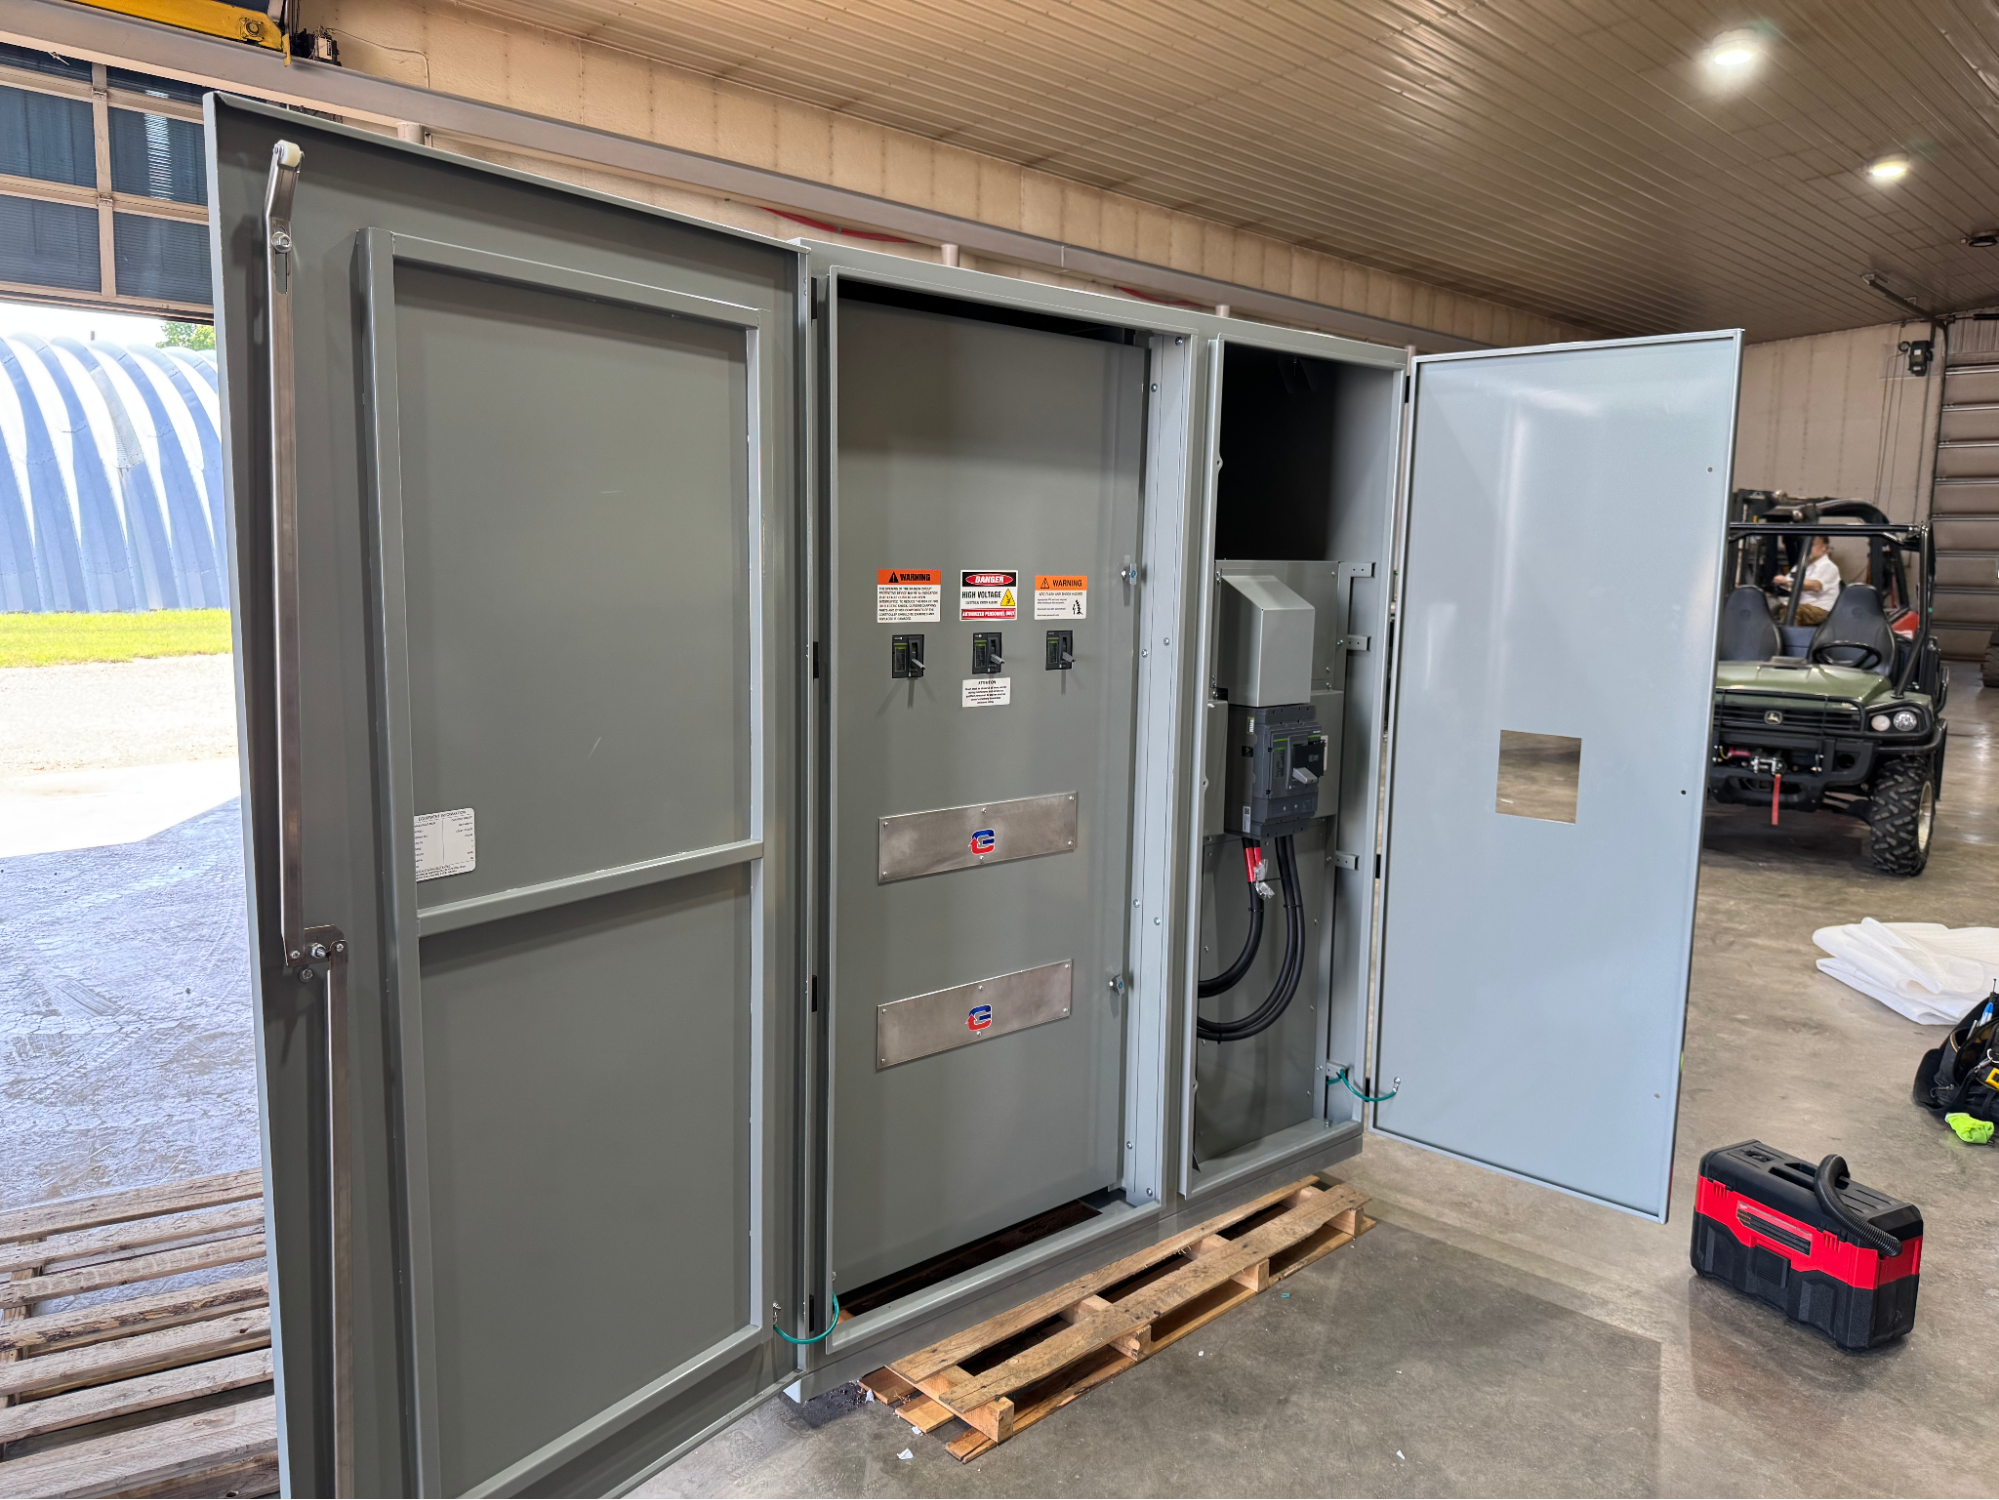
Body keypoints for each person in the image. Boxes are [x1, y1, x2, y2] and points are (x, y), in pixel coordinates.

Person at [1774, 535, 1842, 625]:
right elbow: (1788, 581)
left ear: (1824, 548)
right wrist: (1780, 581)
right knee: (1770, 607)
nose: (1808, 549)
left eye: (1812, 545)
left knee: (1793, 612)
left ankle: (1790, 633)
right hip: (1800, 605)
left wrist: (1788, 582)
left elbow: (1816, 586)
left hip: (1819, 608)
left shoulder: (1828, 566)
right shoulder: (1801, 565)